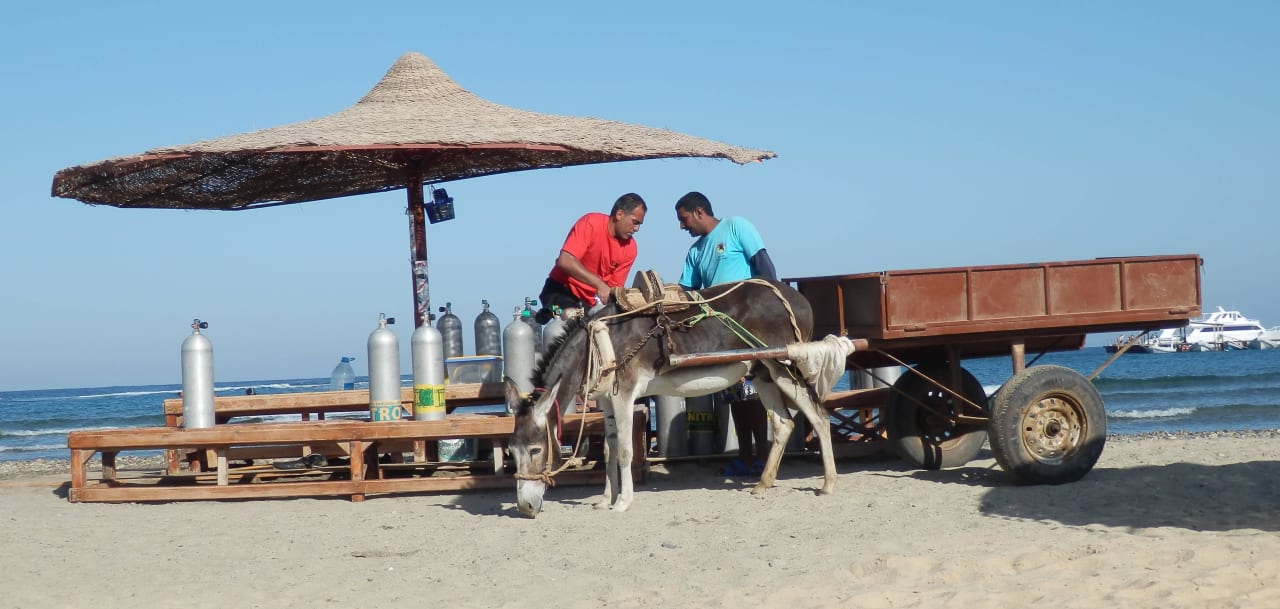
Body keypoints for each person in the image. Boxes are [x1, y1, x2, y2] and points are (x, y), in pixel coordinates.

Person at [674, 191, 776, 477]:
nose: (683, 227)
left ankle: (763, 456)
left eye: (683, 220)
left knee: (753, 394)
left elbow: (765, 267)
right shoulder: (695, 252)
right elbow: (686, 292)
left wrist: (770, 313)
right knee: (735, 397)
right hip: (718, 334)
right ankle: (744, 457)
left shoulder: (736, 227)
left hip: (748, 327)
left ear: (698, 212)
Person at [535, 193, 647, 324]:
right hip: (560, 290)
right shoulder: (591, 223)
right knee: (570, 316)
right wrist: (599, 284)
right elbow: (565, 261)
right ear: (619, 214)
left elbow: (611, 290)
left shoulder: (630, 249)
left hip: (588, 303)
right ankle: (549, 312)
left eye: (640, 224)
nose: (637, 229)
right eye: (635, 222)